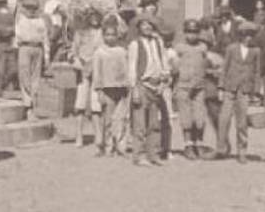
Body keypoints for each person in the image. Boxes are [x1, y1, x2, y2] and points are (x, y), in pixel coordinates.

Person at [215, 20, 261, 163]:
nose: (248, 38)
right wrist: (221, 87)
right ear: (240, 36)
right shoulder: (231, 49)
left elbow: (257, 72)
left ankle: (242, 151)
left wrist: (256, 92)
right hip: (230, 89)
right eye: (246, 35)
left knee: (242, 123)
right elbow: (224, 68)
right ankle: (221, 148)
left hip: (245, 90)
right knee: (224, 119)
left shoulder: (256, 51)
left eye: (251, 35)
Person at [126, 14, 167, 167]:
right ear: (139, 28)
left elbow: (164, 63)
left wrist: (163, 81)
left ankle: (153, 154)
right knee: (140, 123)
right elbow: (131, 68)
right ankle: (139, 155)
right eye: (144, 25)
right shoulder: (135, 44)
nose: (147, 27)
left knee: (154, 123)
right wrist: (134, 89)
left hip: (156, 86)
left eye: (150, 25)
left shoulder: (158, 42)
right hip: (142, 85)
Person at [171, 19, 211, 159]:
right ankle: (188, 145)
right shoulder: (179, 48)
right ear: (184, 33)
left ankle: (199, 143)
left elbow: (208, 63)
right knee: (186, 117)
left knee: (200, 117)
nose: (192, 35)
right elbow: (173, 66)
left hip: (199, 87)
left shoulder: (203, 47)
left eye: (194, 32)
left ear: (199, 33)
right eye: (189, 32)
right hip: (183, 86)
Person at [90, 23, 130, 157]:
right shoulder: (99, 52)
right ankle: (108, 146)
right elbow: (97, 73)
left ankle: (120, 145)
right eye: (107, 35)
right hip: (107, 89)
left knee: (121, 118)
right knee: (107, 120)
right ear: (103, 36)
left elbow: (126, 69)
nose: (110, 37)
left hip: (121, 88)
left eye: (113, 34)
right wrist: (99, 91)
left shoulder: (122, 51)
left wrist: (127, 85)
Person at [13, 0, 51, 117]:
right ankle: (27, 106)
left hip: (37, 48)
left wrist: (47, 57)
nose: (31, 2)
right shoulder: (19, 14)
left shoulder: (41, 17)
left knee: (35, 78)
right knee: (25, 77)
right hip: (24, 47)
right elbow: (13, 2)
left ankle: (33, 105)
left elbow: (45, 37)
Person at [70, 10, 105, 148]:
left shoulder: (103, 33)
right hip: (83, 70)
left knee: (96, 104)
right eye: (92, 16)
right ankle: (79, 135)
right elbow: (73, 51)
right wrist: (77, 61)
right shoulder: (81, 33)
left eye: (97, 16)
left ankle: (98, 135)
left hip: (98, 70)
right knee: (80, 103)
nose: (94, 19)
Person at [0, 0, 18, 94]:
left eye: (4, 2)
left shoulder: (9, 14)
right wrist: (8, 30)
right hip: (0, 46)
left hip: (9, 45)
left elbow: (14, 28)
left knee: (13, 68)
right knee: (1, 69)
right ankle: (0, 87)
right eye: (1, 2)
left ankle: (5, 84)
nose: (3, 4)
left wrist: (9, 30)